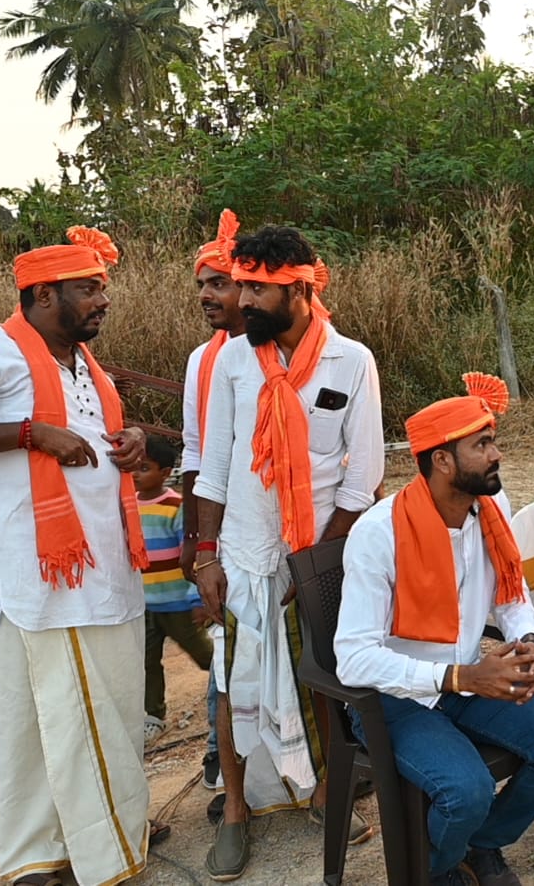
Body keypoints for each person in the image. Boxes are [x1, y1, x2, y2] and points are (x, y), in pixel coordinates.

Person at [0, 226, 163, 886]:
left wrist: (130, 439)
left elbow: (95, 440)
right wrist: (30, 433)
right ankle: (104, 848)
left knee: (56, 712)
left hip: (102, 564)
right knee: (79, 712)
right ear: (44, 294)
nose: (103, 300)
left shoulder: (85, 364)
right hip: (51, 576)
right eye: (89, 289)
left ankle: (41, 850)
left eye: (102, 288)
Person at [334, 374, 534, 886]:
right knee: (466, 791)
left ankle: (479, 845)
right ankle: (435, 871)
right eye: (482, 445)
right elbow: (353, 659)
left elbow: (510, 593)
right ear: (442, 461)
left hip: (469, 678)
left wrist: (525, 641)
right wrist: (459, 677)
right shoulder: (379, 533)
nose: (497, 454)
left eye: (493, 441)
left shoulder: (490, 509)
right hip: (394, 698)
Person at [192, 225, 385, 879]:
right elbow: (215, 467)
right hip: (244, 554)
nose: (242, 300)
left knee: (324, 678)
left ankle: (326, 792)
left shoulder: (351, 361)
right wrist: (206, 556)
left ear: (300, 290)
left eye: (257, 289)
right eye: (240, 285)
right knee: (232, 680)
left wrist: (314, 566)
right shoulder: (233, 360)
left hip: (319, 555)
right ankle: (237, 807)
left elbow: (363, 476)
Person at [180, 209, 242, 794]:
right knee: (227, 640)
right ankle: (221, 758)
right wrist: (197, 540)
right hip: (226, 525)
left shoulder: (290, 352)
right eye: (201, 284)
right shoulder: (203, 360)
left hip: (293, 525)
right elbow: (197, 453)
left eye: (218, 282)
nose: (205, 295)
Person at [135, 434, 216, 754]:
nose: (136, 474)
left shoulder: (176, 507)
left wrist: (198, 600)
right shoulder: (127, 505)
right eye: (134, 468)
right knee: (147, 662)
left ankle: (233, 686)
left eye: (145, 468)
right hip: (144, 605)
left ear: (166, 472)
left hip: (178, 603)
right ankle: (153, 715)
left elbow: (190, 557)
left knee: (203, 654)